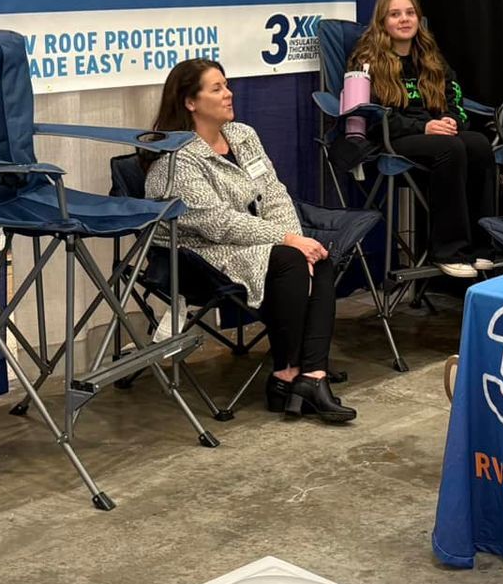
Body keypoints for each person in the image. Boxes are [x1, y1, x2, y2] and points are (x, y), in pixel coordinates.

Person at [148, 58, 354, 424]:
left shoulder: (243, 135)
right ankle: (288, 373)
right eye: (217, 88)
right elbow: (217, 223)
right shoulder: (177, 160)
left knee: (318, 257)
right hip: (201, 254)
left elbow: (274, 193)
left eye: (227, 85)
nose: (229, 94)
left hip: (255, 239)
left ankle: (311, 376)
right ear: (190, 102)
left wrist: (297, 239)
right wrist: (287, 240)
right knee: (289, 258)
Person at [348, 0, 498, 278]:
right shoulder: (366, 61)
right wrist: (426, 127)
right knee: (450, 148)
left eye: (410, 13)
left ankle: (482, 246)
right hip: (393, 138)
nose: (404, 20)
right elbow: (372, 117)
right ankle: (449, 250)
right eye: (395, 15)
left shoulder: (431, 57)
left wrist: (452, 121)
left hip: (434, 134)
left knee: (478, 144)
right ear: (382, 23)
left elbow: (454, 98)